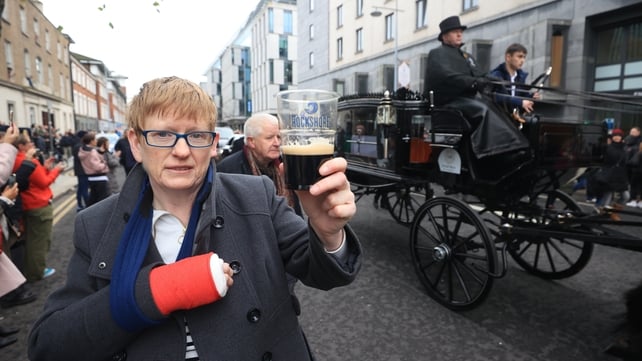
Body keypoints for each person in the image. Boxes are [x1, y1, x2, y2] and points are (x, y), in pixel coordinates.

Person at [28, 76, 362, 361]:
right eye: (162, 135)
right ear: (136, 143)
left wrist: (328, 234)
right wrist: (157, 290)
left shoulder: (256, 195)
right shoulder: (96, 223)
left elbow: (321, 272)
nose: (182, 150)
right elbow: (49, 345)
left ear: (213, 144)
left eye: (196, 136)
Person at [425, 16, 531, 169]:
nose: (459, 34)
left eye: (460, 31)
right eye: (455, 32)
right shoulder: (437, 54)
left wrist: (498, 83)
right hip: (449, 100)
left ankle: (513, 146)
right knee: (483, 109)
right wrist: (474, 82)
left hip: (467, 99)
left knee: (494, 106)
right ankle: (491, 153)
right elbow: (446, 76)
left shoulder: (466, 56)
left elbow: (480, 74)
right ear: (444, 36)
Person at [217, 113, 302, 216]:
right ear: (251, 142)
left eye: (279, 137)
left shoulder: (285, 166)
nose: (277, 143)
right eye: (269, 138)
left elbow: (296, 213)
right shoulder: (228, 170)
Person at [11, 133, 64, 281]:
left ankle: (30, 270)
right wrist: (56, 170)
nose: (33, 145)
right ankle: (36, 272)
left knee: (30, 241)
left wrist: (45, 168)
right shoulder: (29, 162)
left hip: (27, 205)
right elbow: (44, 182)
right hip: (39, 205)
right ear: (21, 146)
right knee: (39, 242)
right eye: (29, 143)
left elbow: (33, 180)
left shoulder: (13, 161)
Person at [489, 43, 540, 119]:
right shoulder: (496, 76)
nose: (522, 60)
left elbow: (520, 96)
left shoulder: (520, 77)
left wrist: (531, 97)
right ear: (508, 57)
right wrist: (520, 102)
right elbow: (496, 97)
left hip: (513, 117)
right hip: (498, 117)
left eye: (524, 57)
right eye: (519, 56)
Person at [594, 128, 630, 221]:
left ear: (622, 137)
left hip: (621, 176)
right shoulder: (607, 147)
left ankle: (613, 212)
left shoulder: (625, 147)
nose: (617, 137)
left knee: (626, 196)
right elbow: (603, 159)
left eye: (619, 136)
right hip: (610, 175)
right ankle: (603, 214)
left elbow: (626, 162)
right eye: (615, 136)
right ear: (612, 137)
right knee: (607, 197)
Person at [78, 132, 110, 206]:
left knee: (93, 200)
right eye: (95, 139)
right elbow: (97, 167)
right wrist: (105, 163)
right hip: (100, 178)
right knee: (103, 201)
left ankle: (89, 215)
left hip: (91, 178)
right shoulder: (92, 152)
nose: (96, 141)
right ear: (91, 141)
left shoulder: (82, 150)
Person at [72, 130, 90, 211]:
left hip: (81, 170)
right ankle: (87, 205)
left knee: (81, 188)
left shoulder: (78, 145)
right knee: (84, 189)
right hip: (82, 171)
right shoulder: (80, 146)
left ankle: (79, 204)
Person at [625, 127, 642, 208]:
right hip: (630, 166)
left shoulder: (638, 143)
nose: (632, 133)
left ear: (639, 132)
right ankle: (634, 200)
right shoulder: (627, 141)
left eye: (634, 131)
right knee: (633, 184)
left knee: (635, 184)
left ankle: (635, 200)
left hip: (636, 166)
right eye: (631, 131)